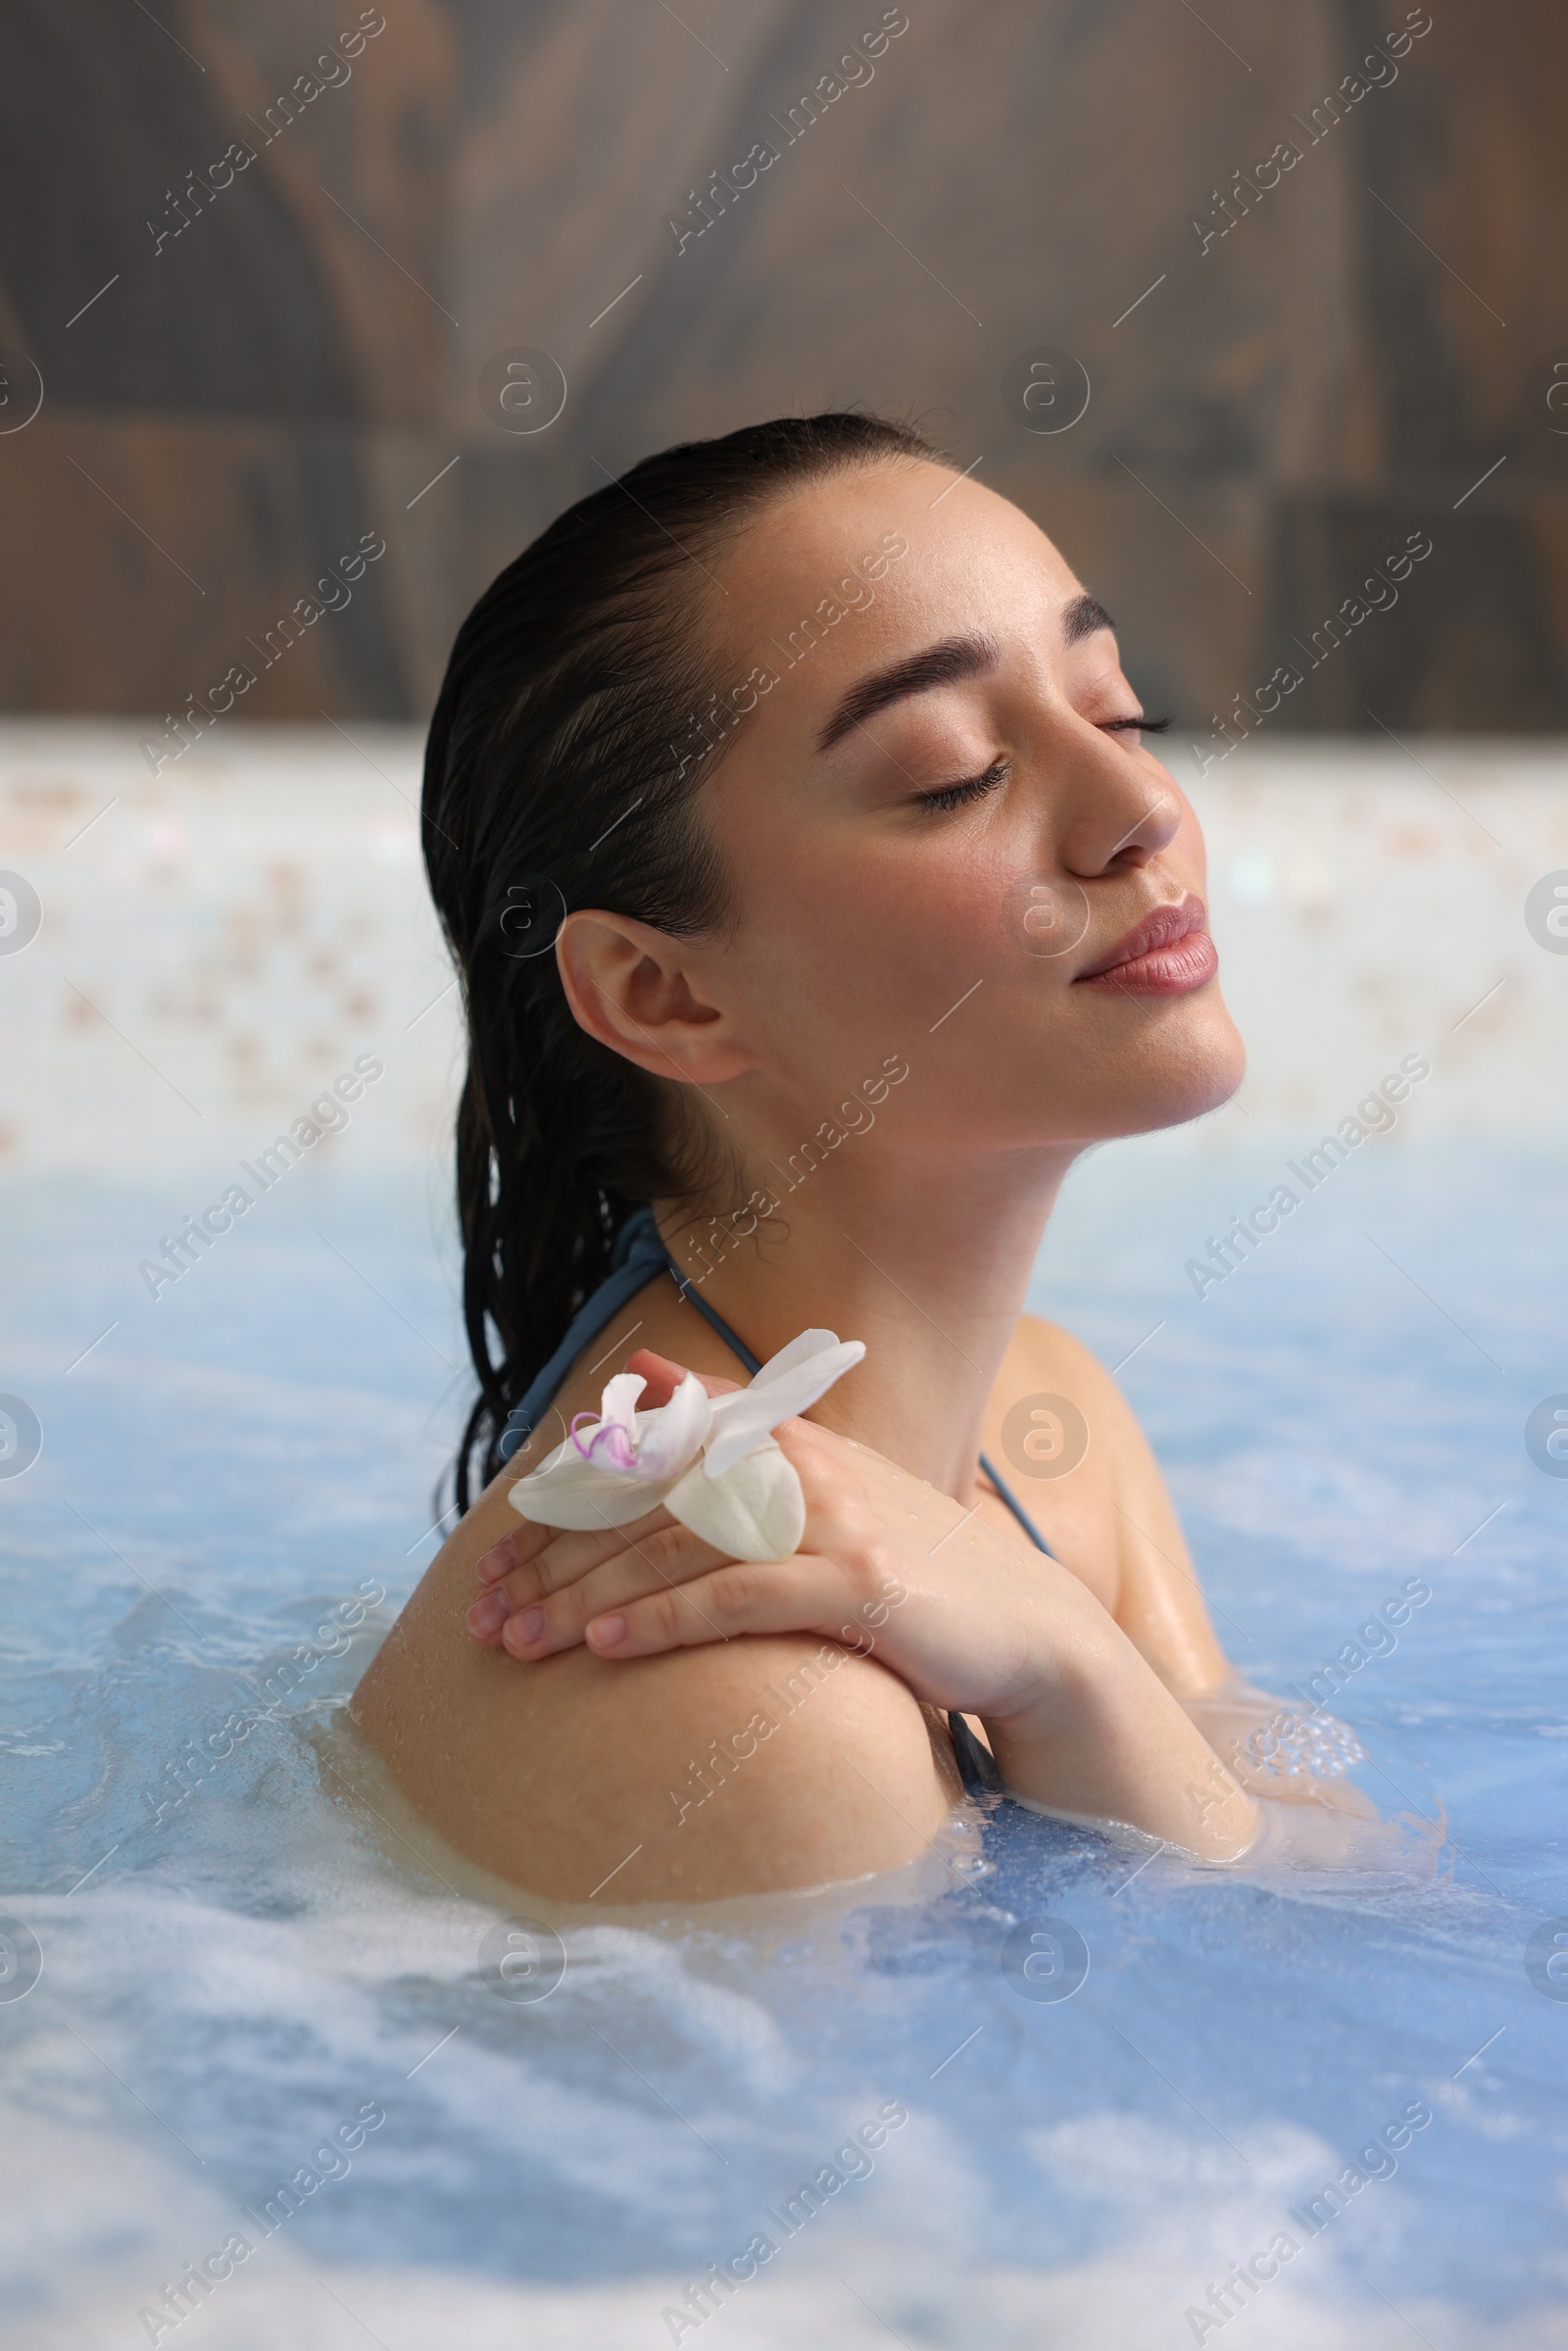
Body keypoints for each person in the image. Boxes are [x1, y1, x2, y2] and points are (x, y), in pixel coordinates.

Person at [351, 412, 1321, 1903]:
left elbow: (1322, 1878)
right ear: (667, 994)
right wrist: (1073, 1665)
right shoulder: (750, 1720)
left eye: (1119, 712)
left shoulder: (1050, 1424)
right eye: (949, 776)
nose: (1144, 814)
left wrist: (1065, 1663)